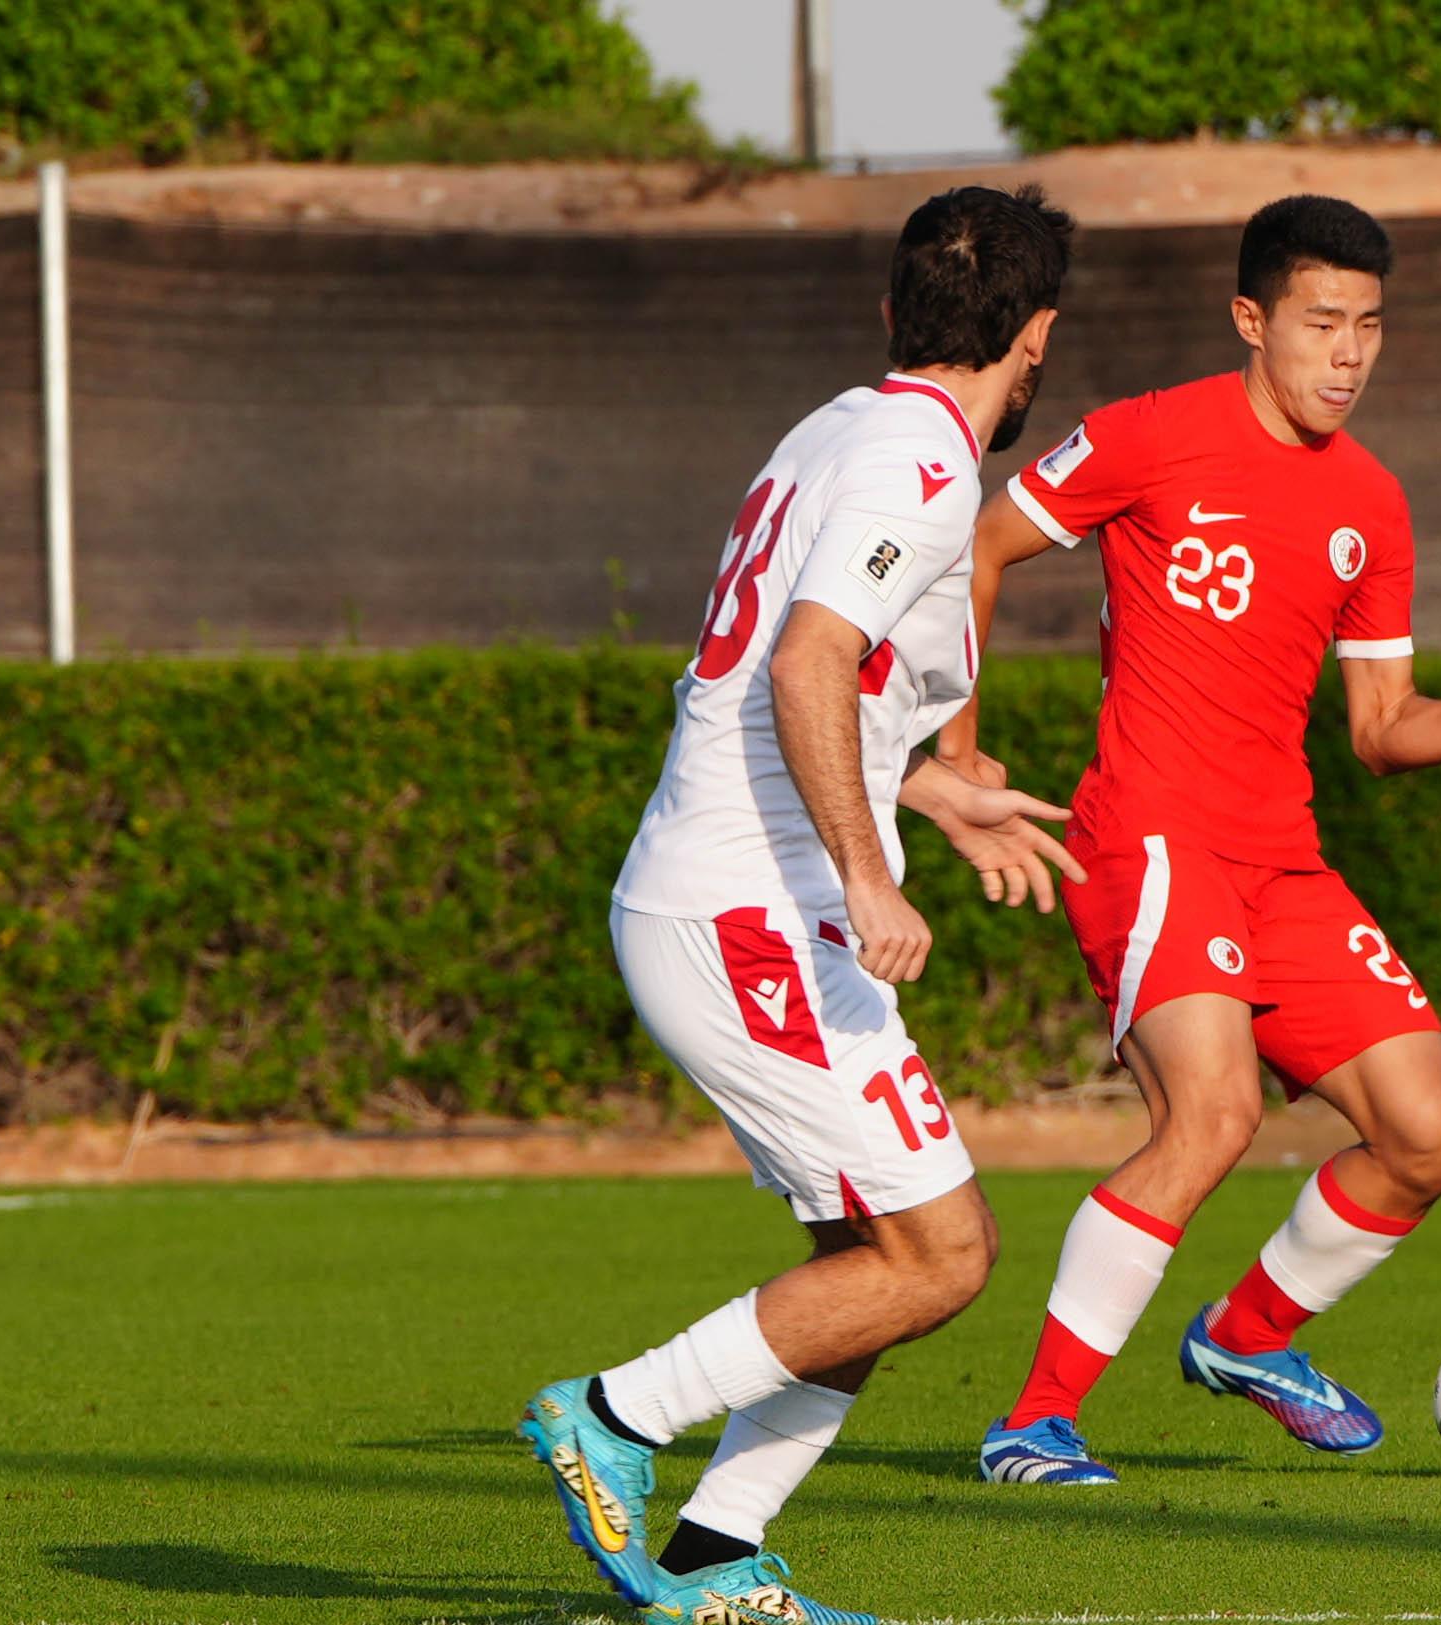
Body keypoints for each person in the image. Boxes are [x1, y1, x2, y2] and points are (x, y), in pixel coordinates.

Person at [942, 194, 1441, 1487]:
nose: (1348, 354)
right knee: (1214, 1113)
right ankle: (1032, 1422)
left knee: (1427, 1135)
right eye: (1321, 322)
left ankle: (1245, 1338)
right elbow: (979, 544)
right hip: (1150, 839)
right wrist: (959, 745)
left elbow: (1380, 729)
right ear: (1251, 320)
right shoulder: (1150, 434)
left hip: (1281, 862)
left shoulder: (1372, 500)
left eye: (1369, 325)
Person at [520, 184, 1083, 1620]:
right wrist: (866, 870)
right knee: (942, 1254)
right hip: (749, 912)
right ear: (1035, 338)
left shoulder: (835, 426)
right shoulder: (921, 464)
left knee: (878, 1259)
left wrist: (927, 791)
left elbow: (797, 677)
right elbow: (806, 663)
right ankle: (616, 1414)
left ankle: (714, 1557)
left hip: (728, 899)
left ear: (894, 314)